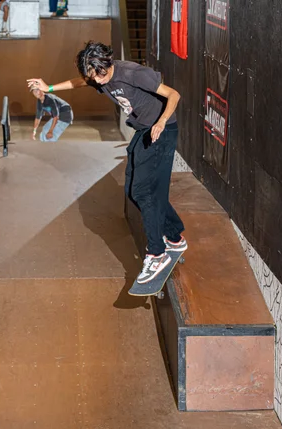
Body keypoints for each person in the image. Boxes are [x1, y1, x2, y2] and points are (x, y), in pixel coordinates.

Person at [27, 41, 187, 284]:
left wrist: (162, 121)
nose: (99, 82)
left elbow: (173, 94)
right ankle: (175, 237)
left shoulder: (134, 74)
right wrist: (48, 87)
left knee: (145, 193)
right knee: (132, 191)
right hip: (143, 130)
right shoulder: (95, 75)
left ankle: (157, 254)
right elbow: (79, 81)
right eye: (94, 77)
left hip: (162, 131)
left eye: (101, 75)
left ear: (108, 64)